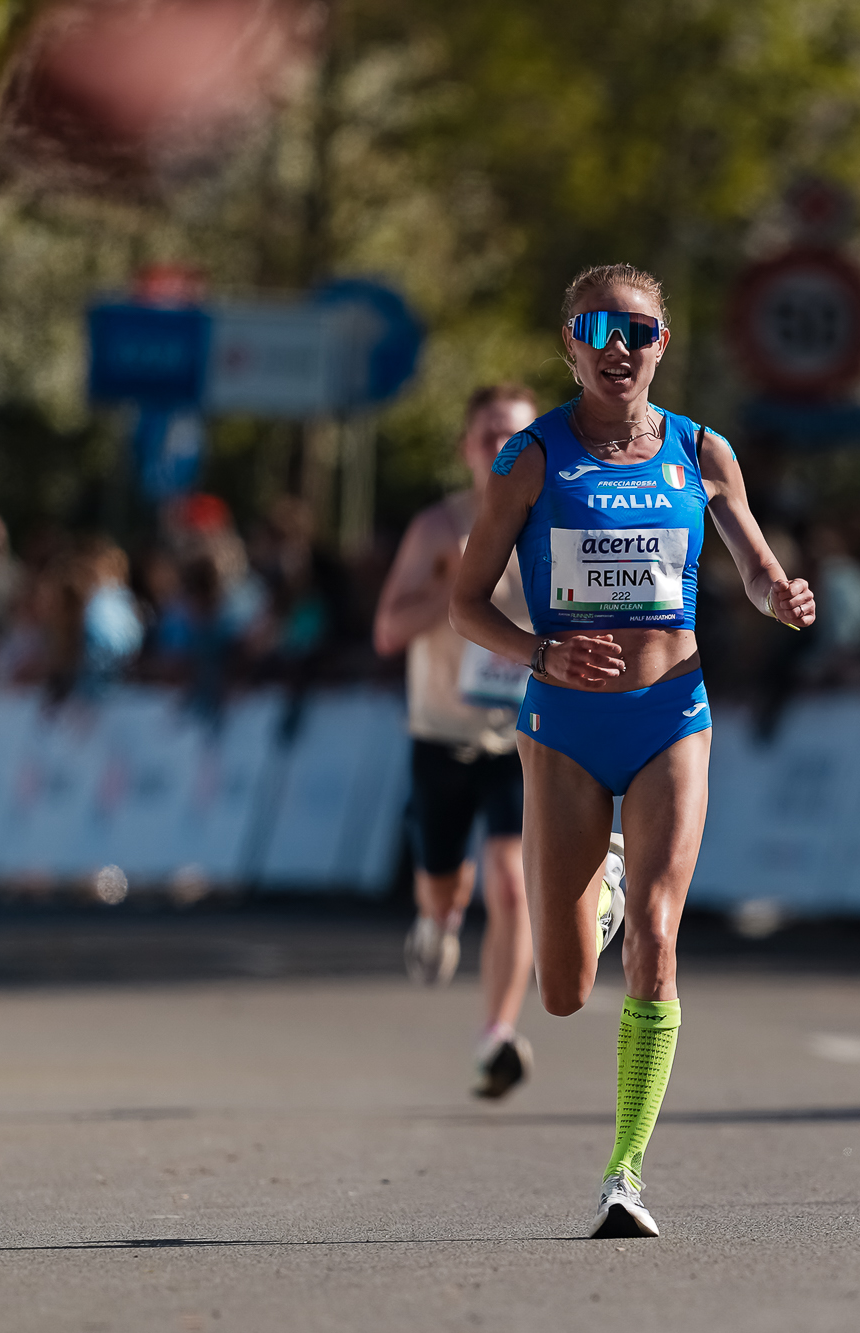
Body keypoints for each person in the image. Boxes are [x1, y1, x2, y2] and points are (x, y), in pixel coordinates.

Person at [450, 265, 816, 1237]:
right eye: (597, 329)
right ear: (568, 347)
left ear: (663, 344)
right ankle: (600, 886)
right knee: (564, 991)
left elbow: (753, 564)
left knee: (658, 938)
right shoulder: (531, 457)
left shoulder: (701, 450)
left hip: (671, 714)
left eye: (638, 330)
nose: (619, 346)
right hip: (564, 727)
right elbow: (464, 603)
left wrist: (779, 596)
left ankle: (626, 1172)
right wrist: (540, 652)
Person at [374, 384, 550, 1099]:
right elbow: (388, 631)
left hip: (523, 734)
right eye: (487, 436)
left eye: (515, 435)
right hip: (443, 733)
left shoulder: (559, 521)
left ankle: (496, 1035)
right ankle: (437, 915)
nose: (500, 447)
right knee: (444, 881)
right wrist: (455, 586)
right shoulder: (439, 527)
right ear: (466, 448)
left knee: (512, 881)